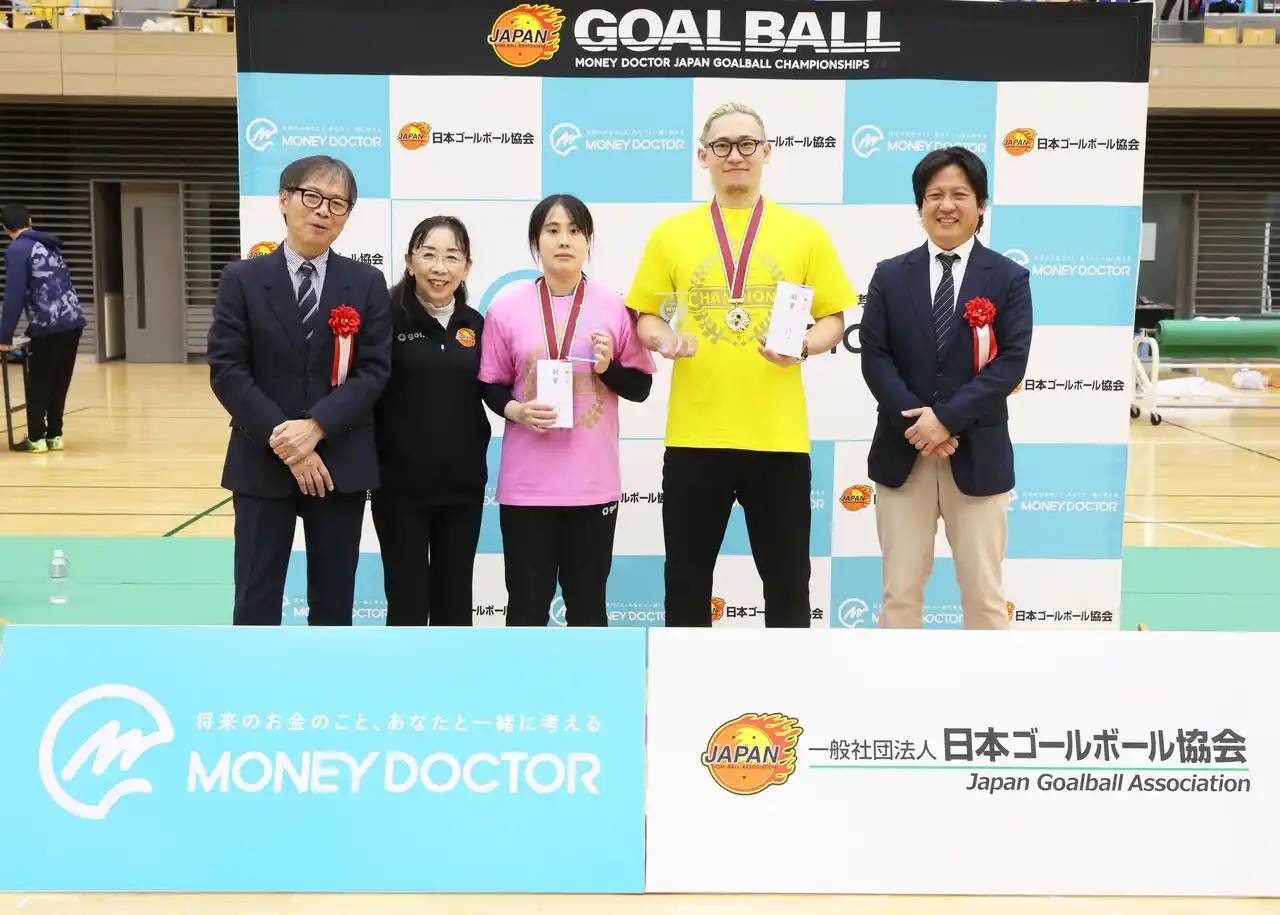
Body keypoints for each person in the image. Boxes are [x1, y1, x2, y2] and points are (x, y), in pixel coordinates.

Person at [625, 101, 855, 629]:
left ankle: (787, 679)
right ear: (702, 156)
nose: (735, 155)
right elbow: (647, 316)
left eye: (747, 144)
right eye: (723, 146)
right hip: (695, 436)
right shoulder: (670, 233)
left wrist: (802, 346)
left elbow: (833, 319)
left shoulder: (805, 232)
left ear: (767, 152)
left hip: (778, 439)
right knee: (686, 581)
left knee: (788, 583)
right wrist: (665, 339)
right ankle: (687, 679)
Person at [207, 155, 391, 626]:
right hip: (261, 461)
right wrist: (288, 441)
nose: (323, 210)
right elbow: (227, 370)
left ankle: (326, 675)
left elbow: (373, 371)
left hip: (338, 463)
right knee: (255, 600)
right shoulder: (242, 279)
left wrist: (317, 427)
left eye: (338, 203)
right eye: (312, 197)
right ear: (284, 200)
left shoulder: (367, 283)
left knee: (333, 604)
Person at [859, 146, 1032, 630]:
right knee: (899, 594)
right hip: (904, 451)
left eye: (960, 194)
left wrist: (946, 420)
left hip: (978, 454)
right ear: (920, 206)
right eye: (934, 195)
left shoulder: (1009, 277)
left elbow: (1011, 362)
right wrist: (921, 426)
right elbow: (875, 356)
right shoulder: (890, 274)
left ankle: (989, 681)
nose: (946, 206)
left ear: (981, 204)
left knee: (984, 596)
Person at [479, 193, 655, 627]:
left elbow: (641, 388)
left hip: (592, 485)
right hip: (527, 487)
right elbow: (490, 383)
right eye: (552, 230)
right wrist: (515, 411)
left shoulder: (614, 306)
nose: (564, 240)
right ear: (535, 242)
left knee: (589, 608)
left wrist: (608, 368)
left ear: (588, 241)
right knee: (525, 607)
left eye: (575, 231)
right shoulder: (506, 307)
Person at [373, 215, 509, 626]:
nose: (439, 267)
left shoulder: (476, 324)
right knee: (408, 601)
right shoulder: (385, 319)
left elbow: (492, 387)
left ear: (466, 267)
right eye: (429, 254)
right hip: (399, 488)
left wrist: (519, 408)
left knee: (455, 601)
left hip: (461, 487)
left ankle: (454, 669)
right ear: (409, 261)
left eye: (452, 257)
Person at [0, 203, 87, 453]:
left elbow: (14, 295)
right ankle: (54, 435)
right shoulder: (49, 244)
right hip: (73, 320)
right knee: (59, 381)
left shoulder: (18, 249)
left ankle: (36, 438)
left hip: (49, 325)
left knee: (39, 382)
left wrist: (4, 336)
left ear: (5, 228)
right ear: (30, 221)